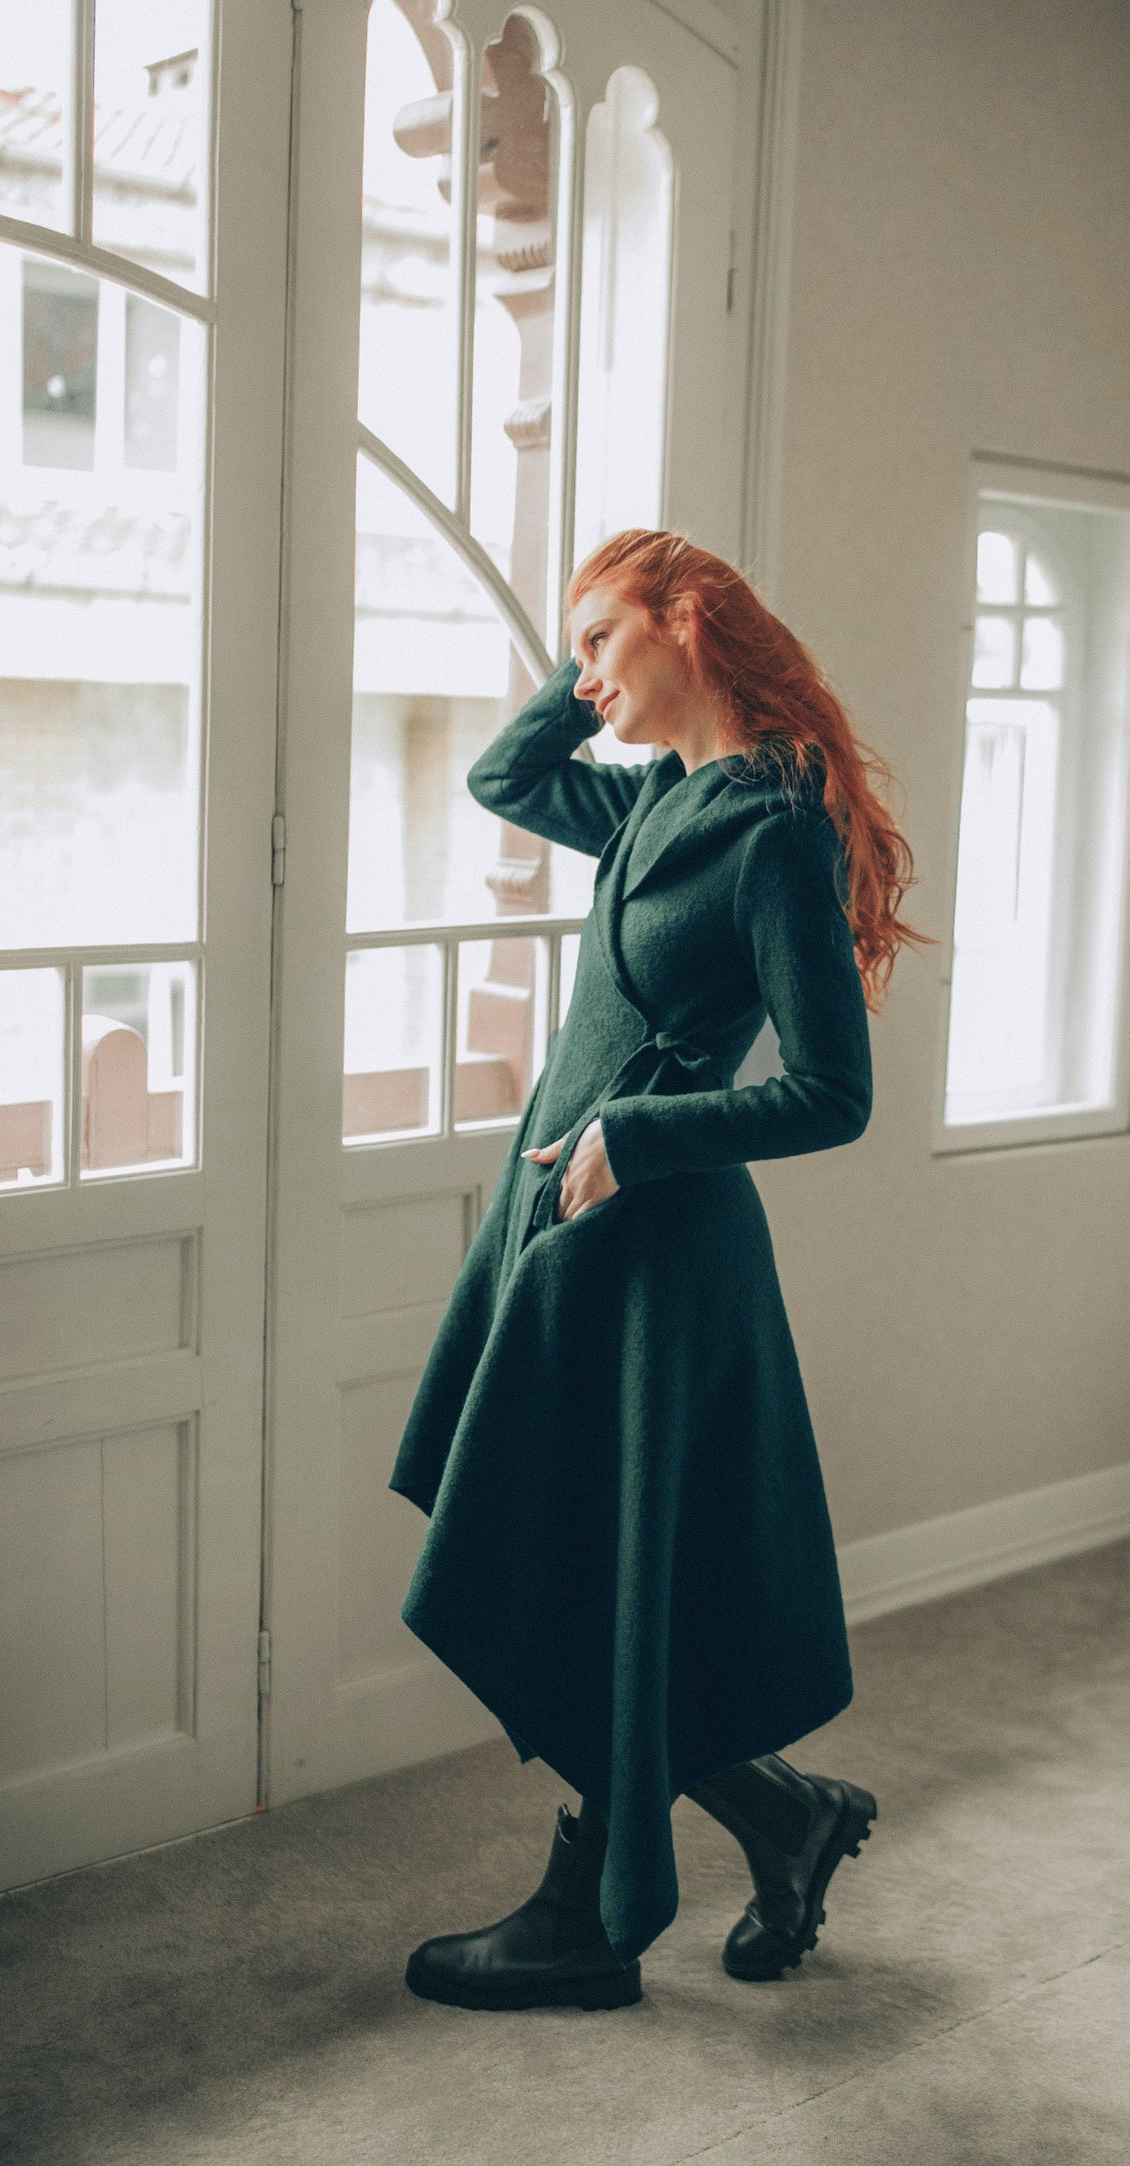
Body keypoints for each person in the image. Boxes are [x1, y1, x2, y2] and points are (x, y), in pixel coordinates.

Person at [389, 529, 923, 2012]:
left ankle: (587, 1912)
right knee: (591, 1570)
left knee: (601, 1571)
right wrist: (588, 675)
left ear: (686, 622)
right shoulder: (653, 802)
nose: (585, 679)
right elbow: (504, 778)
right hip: (567, 1240)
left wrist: (638, 1132)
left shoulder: (775, 834)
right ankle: (782, 1817)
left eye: (603, 642)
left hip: (659, 1255)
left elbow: (832, 1093)